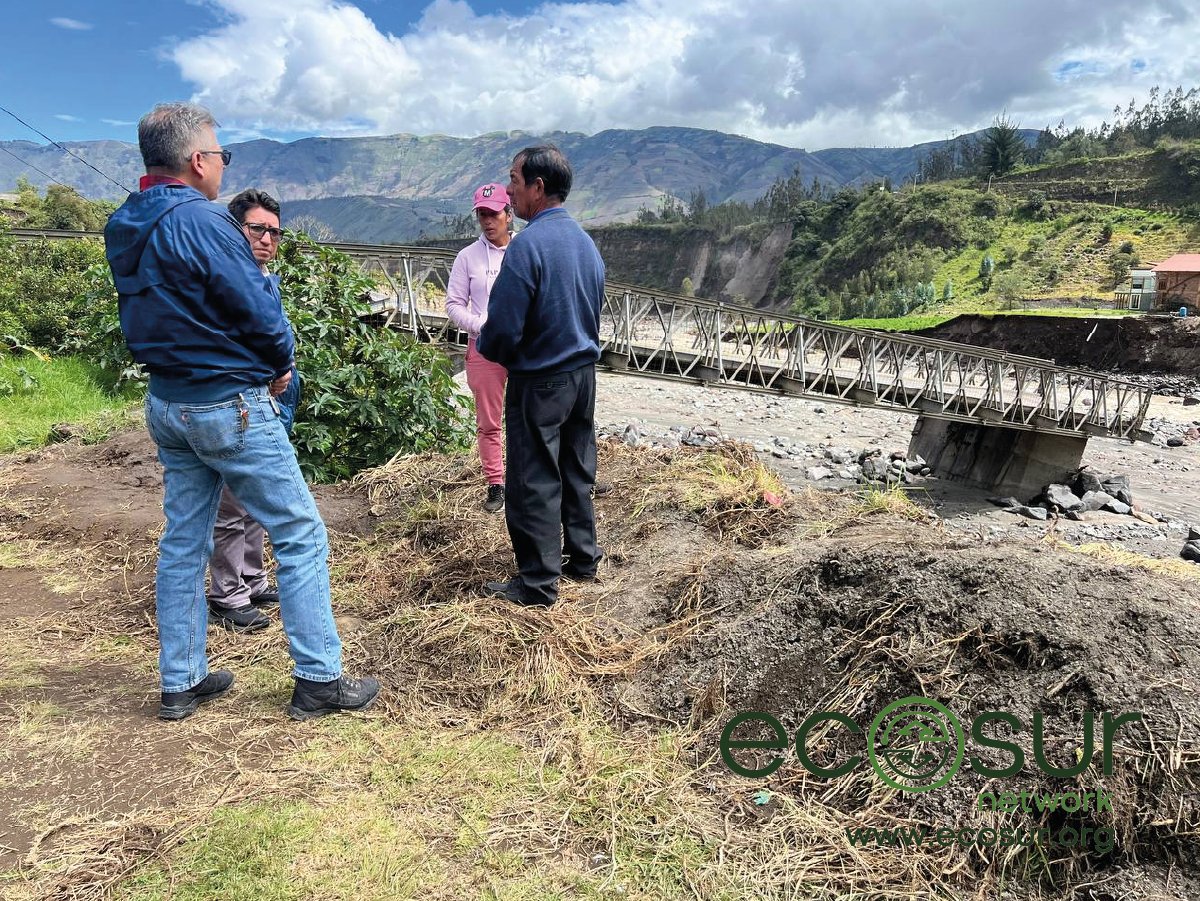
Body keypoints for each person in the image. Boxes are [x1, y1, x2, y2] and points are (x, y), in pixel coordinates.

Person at [105, 101, 379, 721]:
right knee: (302, 532)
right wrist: (281, 362)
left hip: (167, 402)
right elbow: (258, 308)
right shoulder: (203, 221)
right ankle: (319, 678)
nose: (222, 167)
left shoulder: (124, 221)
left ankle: (181, 679)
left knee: (183, 542)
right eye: (221, 155)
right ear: (199, 160)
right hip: (229, 403)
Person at [477, 145, 605, 607]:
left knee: (533, 477)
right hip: (582, 376)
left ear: (538, 187)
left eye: (514, 179)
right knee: (575, 465)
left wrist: (490, 347)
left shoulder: (527, 246)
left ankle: (537, 582)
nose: (510, 190)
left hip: (541, 379)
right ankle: (584, 559)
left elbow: (505, 326)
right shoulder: (585, 243)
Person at [206, 188, 298, 632]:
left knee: (253, 500)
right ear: (235, 229)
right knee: (229, 504)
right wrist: (270, 370)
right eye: (257, 228)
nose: (266, 239)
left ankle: (252, 578)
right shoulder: (227, 280)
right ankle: (227, 593)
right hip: (237, 400)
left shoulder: (265, 279)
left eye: (274, 232)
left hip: (267, 401)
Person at [445, 183, 513, 513]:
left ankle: (532, 475)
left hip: (524, 349)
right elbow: (454, 304)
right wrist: (479, 324)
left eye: (494, 213)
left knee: (531, 413)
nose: (488, 220)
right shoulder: (467, 257)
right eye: (482, 214)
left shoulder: (525, 249)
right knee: (489, 421)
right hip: (484, 348)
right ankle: (496, 484)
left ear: (508, 214)